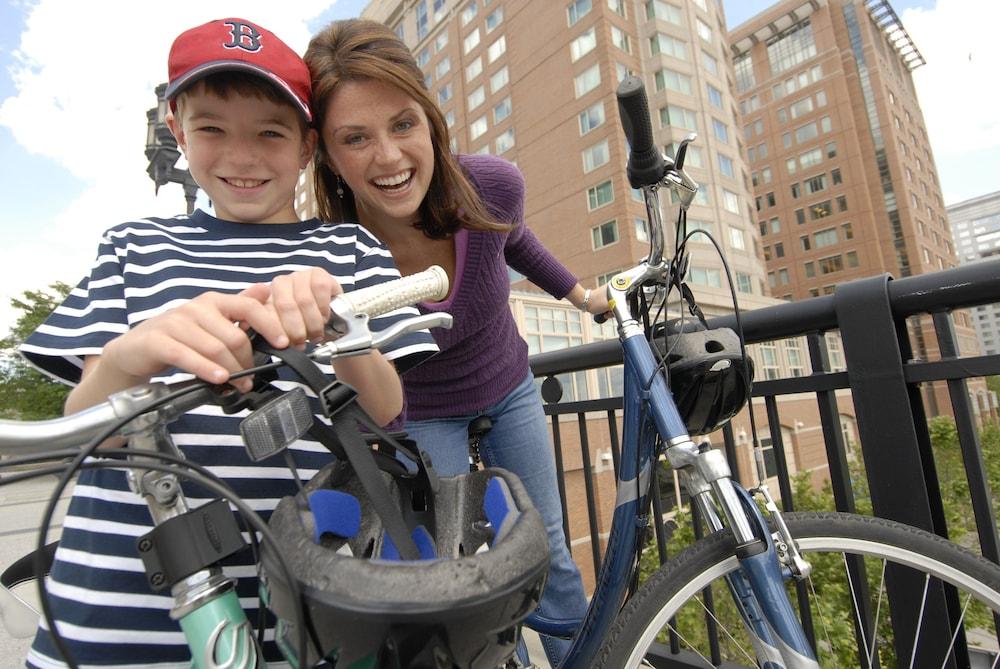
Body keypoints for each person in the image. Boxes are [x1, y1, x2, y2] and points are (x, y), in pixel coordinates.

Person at [18, 18, 436, 667]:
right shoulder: (132, 248)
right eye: (212, 128)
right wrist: (134, 352)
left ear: (306, 146)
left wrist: (342, 324)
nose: (242, 157)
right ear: (178, 129)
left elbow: (385, 407)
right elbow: (85, 428)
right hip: (114, 615)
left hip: (308, 606)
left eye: (270, 133)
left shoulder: (350, 250)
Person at [304, 19, 611, 666]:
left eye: (403, 124)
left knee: (545, 542)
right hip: (420, 411)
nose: (388, 157)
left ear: (431, 121)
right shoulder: (333, 257)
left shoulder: (491, 184)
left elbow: (513, 236)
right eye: (356, 138)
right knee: (458, 569)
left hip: (507, 381)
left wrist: (581, 296)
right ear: (327, 156)